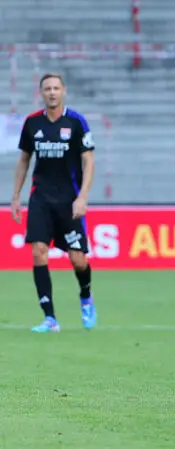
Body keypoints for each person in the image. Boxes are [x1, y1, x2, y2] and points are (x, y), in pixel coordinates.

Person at [10, 73, 97, 332]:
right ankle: (50, 318)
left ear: (64, 91)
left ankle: (85, 297)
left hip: (69, 201)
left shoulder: (77, 122)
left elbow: (88, 160)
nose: (51, 92)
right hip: (41, 199)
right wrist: (16, 196)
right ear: (41, 93)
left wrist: (83, 197)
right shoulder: (32, 123)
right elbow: (24, 160)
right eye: (47, 88)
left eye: (56, 88)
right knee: (38, 252)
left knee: (77, 258)